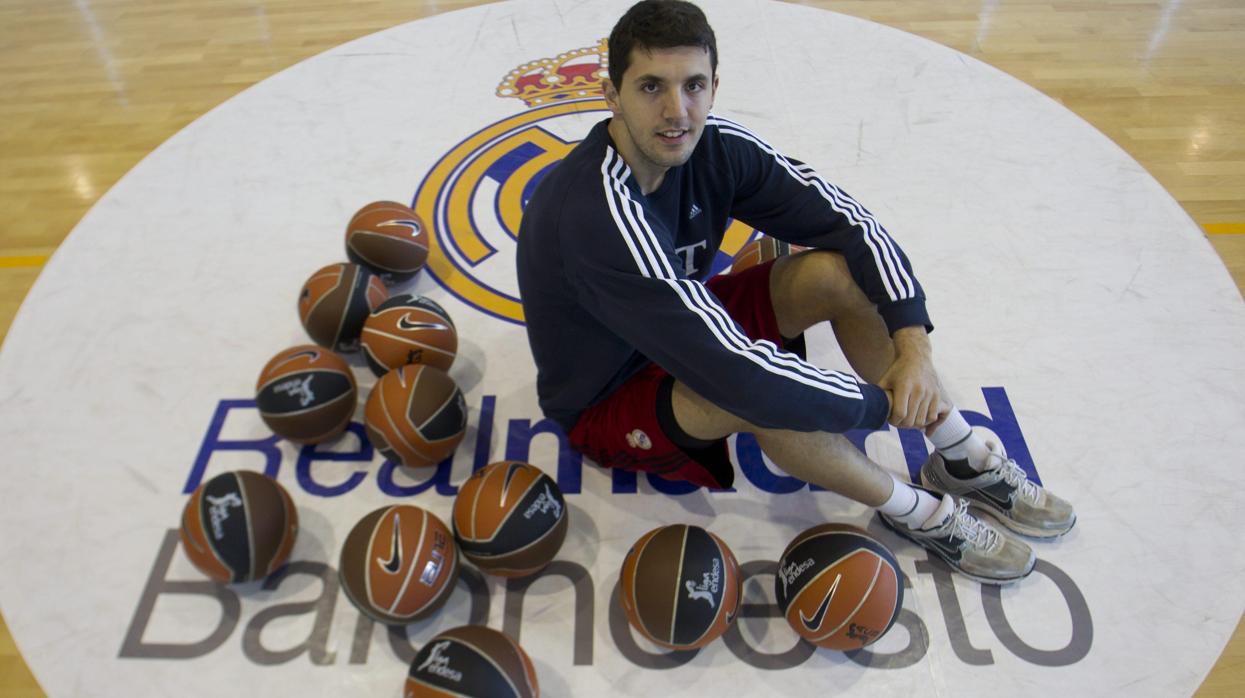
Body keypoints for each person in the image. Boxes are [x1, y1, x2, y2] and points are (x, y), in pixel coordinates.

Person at [516, 0, 1074, 584]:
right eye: (651, 86)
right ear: (611, 94)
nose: (676, 110)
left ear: (714, 88)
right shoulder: (594, 214)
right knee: (763, 395)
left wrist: (915, 351)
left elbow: (851, 225)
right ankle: (921, 513)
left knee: (834, 272)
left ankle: (959, 453)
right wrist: (882, 404)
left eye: (694, 85)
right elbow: (738, 374)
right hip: (608, 396)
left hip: (683, 328)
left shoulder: (715, 148)